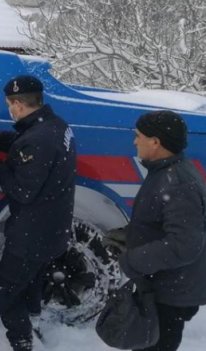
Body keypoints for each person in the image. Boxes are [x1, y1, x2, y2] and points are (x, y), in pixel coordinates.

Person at [0, 75, 76, 351]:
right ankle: (33, 319)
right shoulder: (56, 125)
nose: (9, 110)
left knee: (4, 293)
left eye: (10, 105)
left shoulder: (37, 140)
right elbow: (22, 140)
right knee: (32, 280)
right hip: (54, 228)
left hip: (31, 234)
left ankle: (22, 341)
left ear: (17, 104)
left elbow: (22, 191)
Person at [102, 110, 206, 351]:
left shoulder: (177, 183)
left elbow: (184, 245)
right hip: (163, 284)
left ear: (156, 142)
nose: (135, 141)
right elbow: (160, 223)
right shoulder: (165, 172)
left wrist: (133, 260)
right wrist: (131, 236)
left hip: (172, 292)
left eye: (139, 135)